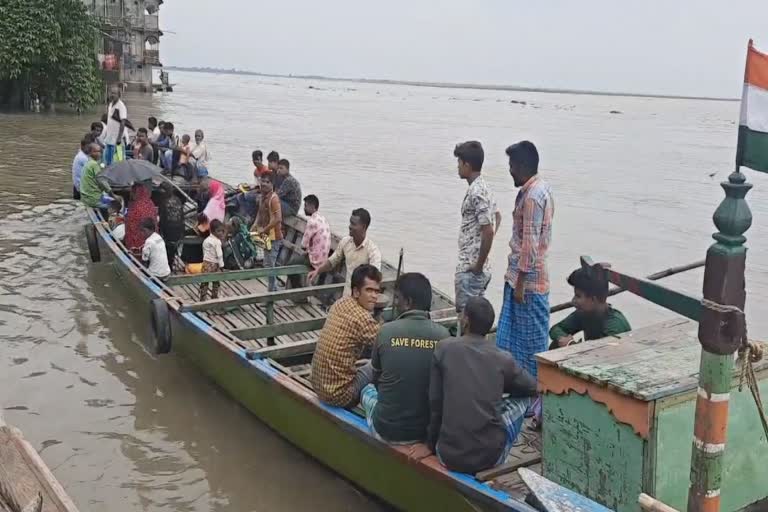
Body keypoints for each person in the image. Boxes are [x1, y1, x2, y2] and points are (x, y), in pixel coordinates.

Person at [427, 297, 537, 474]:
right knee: (523, 399)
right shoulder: (503, 358)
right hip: (490, 458)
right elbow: (532, 387)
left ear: (466, 320)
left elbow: (435, 404)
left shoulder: (444, 348)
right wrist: (499, 385)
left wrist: (430, 446)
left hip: (447, 455)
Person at [361, 272, 450, 443]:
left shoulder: (385, 331)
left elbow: (377, 381)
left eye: (397, 298)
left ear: (408, 302)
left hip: (386, 429)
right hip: (423, 431)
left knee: (367, 390)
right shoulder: (444, 337)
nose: (394, 303)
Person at [495, 141, 554, 381]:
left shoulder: (532, 197)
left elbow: (530, 245)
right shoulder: (540, 189)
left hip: (527, 283)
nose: (509, 171)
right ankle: (518, 389)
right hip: (521, 279)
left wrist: (519, 283)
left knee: (529, 345)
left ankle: (531, 395)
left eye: (511, 165)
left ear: (521, 166)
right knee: (509, 340)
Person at [310, 264, 382, 408]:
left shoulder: (340, 302)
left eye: (376, 291)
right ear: (356, 291)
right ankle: (379, 405)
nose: (374, 296)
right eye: (369, 290)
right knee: (376, 364)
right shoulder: (363, 319)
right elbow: (389, 342)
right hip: (340, 396)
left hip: (318, 385)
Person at [453, 141, 501, 315]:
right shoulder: (484, 187)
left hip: (470, 269)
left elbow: (488, 229)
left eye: (459, 162)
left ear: (467, 164)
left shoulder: (477, 192)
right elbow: (497, 217)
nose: (457, 167)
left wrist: (478, 264)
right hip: (477, 268)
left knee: (466, 319)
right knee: (476, 319)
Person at [549, 268, 631, 349]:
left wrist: (571, 345)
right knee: (556, 345)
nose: (573, 301)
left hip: (610, 360)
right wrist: (563, 340)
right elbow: (555, 329)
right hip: (594, 357)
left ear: (593, 299)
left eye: (578, 296)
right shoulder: (584, 314)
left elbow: (603, 355)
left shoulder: (615, 326)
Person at [308, 208, 381, 297]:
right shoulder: (345, 242)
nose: (349, 226)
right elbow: (332, 262)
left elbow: (374, 278)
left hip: (362, 300)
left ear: (364, 227)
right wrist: (317, 271)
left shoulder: (373, 251)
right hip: (346, 296)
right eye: (350, 223)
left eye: (353, 224)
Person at [287, 194, 331, 290]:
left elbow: (303, 244)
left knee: (290, 265)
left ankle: (298, 293)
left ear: (312, 206)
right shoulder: (323, 219)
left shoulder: (312, 221)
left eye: (306, 206)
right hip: (324, 258)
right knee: (298, 260)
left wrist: (306, 251)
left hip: (315, 260)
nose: (304, 208)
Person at [253, 173, 283, 291]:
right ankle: (274, 289)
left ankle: (271, 294)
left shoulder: (273, 199)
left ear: (272, 185)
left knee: (270, 266)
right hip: (266, 237)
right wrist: (254, 225)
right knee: (267, 265)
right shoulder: (262, 197)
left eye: (267, 182)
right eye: (262, 181)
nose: (264, 184)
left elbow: (278, 218)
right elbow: (259, 214)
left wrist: (264, 230)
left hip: (274, 237)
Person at [157, 181, 186, 267]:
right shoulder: (177, 199)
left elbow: (162, 219)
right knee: (172, 250)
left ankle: (167, 265)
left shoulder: (163, 202)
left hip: (169, 230)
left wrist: (160, 230)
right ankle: (170, 263)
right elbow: (182, 216)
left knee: (167, 248)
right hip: (179, 229)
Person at [123, 183, 158, 252]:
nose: (131, 194)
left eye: (133, 192)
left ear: (136, 193)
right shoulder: (150, 203)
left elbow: (130, 224)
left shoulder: (135, 206)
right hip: (152, 237)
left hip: (138, 239)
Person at [79, 143, 115, 209]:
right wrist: (112, 194)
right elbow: (102, 181)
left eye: (99, 151)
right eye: (95, 152)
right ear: (90, 153)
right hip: (93, 199)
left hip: (85, 197)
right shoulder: (94, 164)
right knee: (116, 204)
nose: (98, 154)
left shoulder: (88, 162)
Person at [199, 219, 226, 301]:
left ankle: (202, 298)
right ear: (213, 231)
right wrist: (222, 265)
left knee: (204, 281)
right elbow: (219, 255)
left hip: (206, 264)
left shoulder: (206, 240)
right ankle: (214, 297)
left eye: (222, 231)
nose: (221, 233)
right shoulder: (217, 242)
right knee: (216, 281)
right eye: (218, 231)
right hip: (215, 264)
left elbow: (205, 253)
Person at [103, 86, 128, 166]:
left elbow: (123, 122)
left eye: (115, 93)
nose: (112, 95)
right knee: (108, 161)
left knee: (120, 161)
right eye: (111, 93)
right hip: (109, 138)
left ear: (119, 95)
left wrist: (119, 138)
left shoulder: (121, 106)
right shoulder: (110, 104)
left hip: (118, 141)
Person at [72, 134, 94, 200]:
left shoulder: (81, 154)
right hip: (81, 189)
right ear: (82, 146)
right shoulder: (83, 158)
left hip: (77, 187)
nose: (90, 149)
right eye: (88, 147)